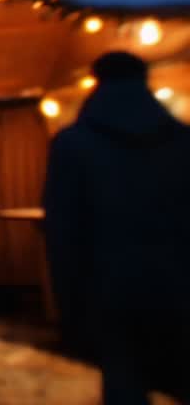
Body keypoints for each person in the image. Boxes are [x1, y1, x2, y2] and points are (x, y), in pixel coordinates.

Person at [44, 52, 190, 404]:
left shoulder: (73, 145)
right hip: (179, 288)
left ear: (98, 82)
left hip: (110, 294)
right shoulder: (182, 142)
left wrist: (70, 310)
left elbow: (63, 235)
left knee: (125, 387)